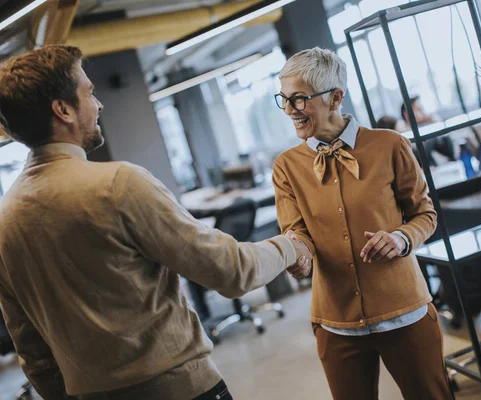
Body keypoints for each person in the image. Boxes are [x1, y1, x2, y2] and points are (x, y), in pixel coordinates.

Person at [0, 45, 312, 400]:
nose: (99, 104)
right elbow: (230, 271)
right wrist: (291, 244)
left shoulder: (5, 220)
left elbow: (31, 350)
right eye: (89, 92)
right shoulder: (117, 185)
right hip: (180, 390)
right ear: (63, 110)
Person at [272, 47, 452, 400]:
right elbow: (297, 232)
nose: (291, 110)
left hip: (405, 313)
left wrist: (401, 238)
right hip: (335, 321)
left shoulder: (390, 145)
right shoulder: (286, 166)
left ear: (336, 97)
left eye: (299, 99)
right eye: (284, 99)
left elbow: (425, 214)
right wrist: (297, 253)